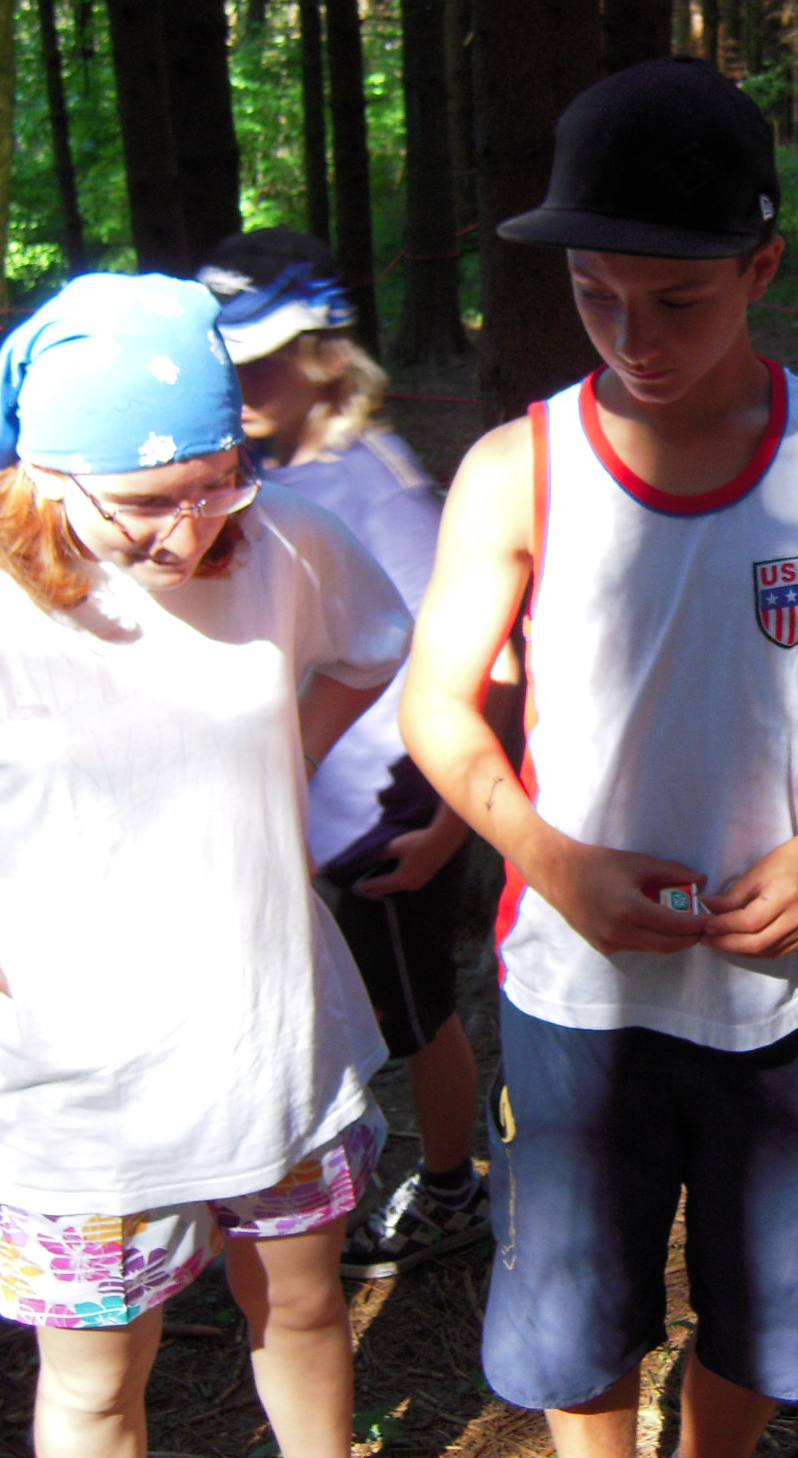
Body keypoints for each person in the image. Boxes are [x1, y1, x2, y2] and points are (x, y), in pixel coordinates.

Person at [397, 56, 798, 1458]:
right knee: (574, 1321)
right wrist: (546, 858)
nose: (632, 335)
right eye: (594, 293)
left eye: (677, 299)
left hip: (769, 988)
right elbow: (436, 707)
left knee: (769, 1318)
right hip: (571, 989)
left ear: (761, 265)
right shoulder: (518, 468)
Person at [0, 274, 412, 1457]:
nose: (193, 529)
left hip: (270, 1036)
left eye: (219, 481)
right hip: (82, 1083)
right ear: (43, 473)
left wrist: (283, 767)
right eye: (147, 502)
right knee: (98, 1382)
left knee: (304, 1306)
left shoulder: (282, 539)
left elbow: (372, 647)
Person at [201, 229, 501, 1280]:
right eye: (224, 363)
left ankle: (455, 1186)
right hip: (293, 808)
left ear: (326, 352)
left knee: (411, 1011)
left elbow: (481, 665)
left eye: (260, 361)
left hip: (386, 812)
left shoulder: (380, 488)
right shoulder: (252, 475)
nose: (240, 385)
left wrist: (446, 826)